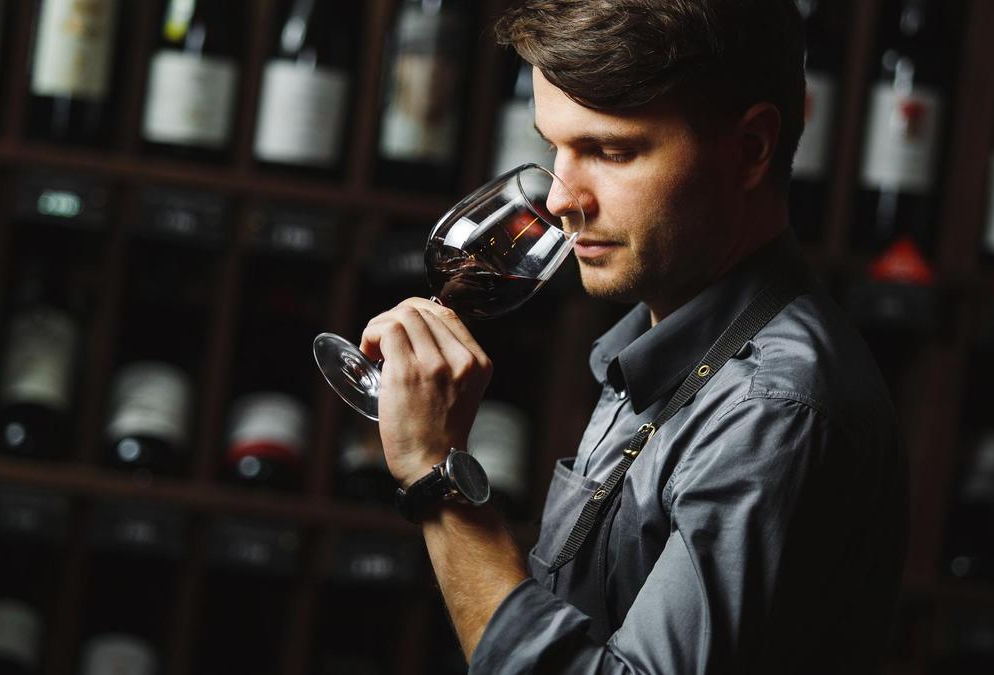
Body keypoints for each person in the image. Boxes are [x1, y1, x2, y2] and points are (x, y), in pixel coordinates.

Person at [358, 0, 909, 672]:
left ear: (751, 150)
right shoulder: (672, 342)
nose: (561, 198)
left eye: (610, 150)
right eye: (554, 147)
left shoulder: (773, 409)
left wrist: (436, 475)